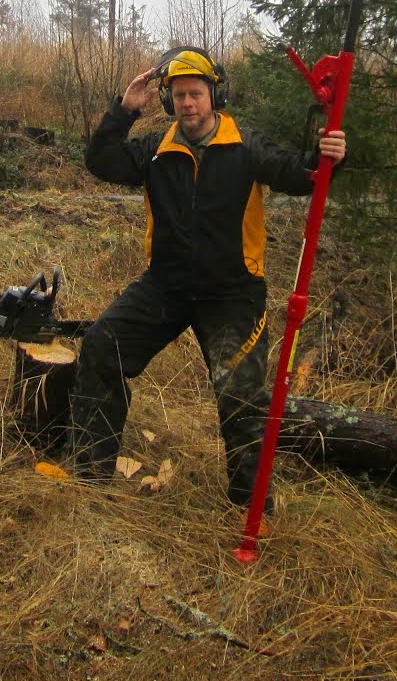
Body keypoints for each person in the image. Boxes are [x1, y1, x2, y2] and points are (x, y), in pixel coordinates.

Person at [71, 46, 346, 512]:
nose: (187, 104)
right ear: (168, 101)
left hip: (232, 294)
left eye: (195, 93)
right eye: (178, 95)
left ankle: (248, 505)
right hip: (166, 286)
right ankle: (90, 478)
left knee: (242, 396)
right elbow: (100, 161)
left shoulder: (246, 145)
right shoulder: (156, 149)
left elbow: (300, 174)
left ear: (213, 95)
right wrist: (123, 111)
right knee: (101, 347)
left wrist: (330, 156)